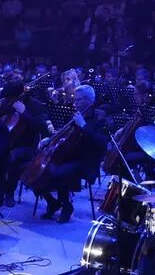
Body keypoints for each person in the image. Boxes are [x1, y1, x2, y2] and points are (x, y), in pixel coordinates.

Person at [31, 84, 107, 223]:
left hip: (86, 160)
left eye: (79, 100)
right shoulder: (76, 114)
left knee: (56, 171)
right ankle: (52, 202)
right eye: (75, 99)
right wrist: (50, 139)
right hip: (69, 155)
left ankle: (67, 206)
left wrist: (83, 125)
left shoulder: (99, 118)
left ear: (89, 101)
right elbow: (66, 133)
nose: (75, 103)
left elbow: (102, 143)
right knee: (33, 170)